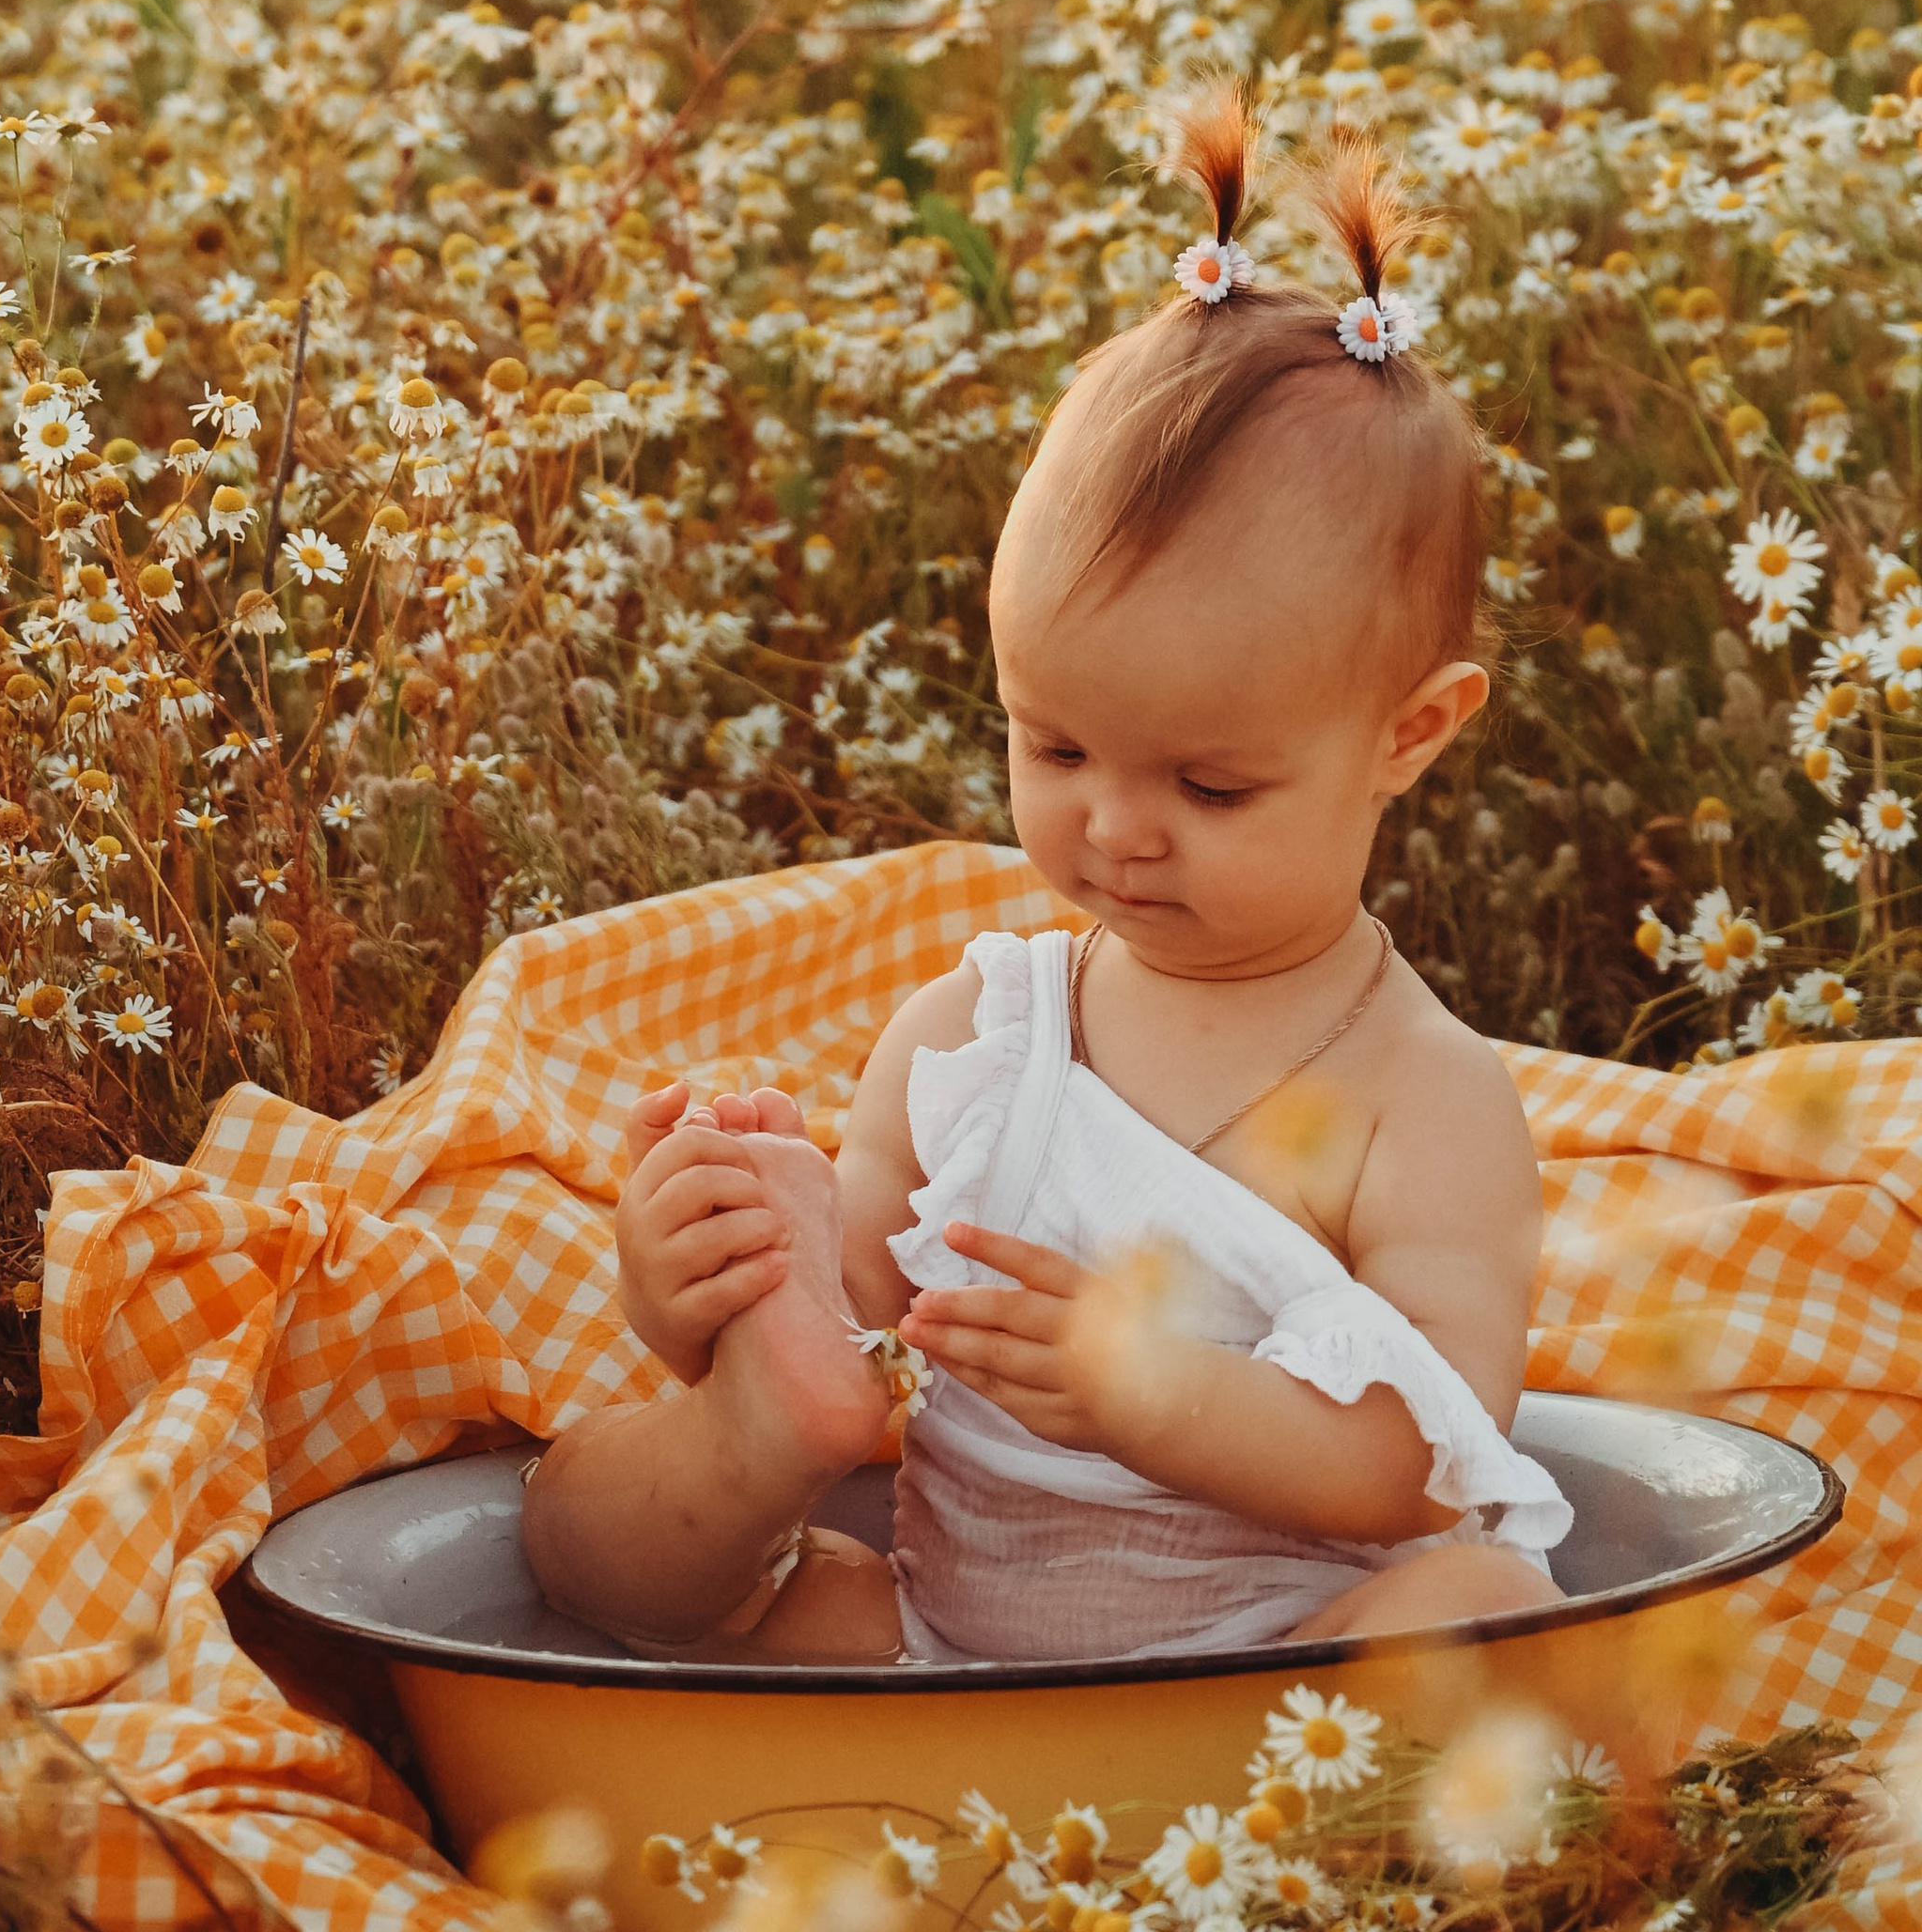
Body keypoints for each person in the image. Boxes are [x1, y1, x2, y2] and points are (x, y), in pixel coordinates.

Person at [519, 89, 1573, 1666]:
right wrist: (721, 1288)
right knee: (583, 1542)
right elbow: (882, 1327)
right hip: (958, 1644)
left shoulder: (1421, 1100)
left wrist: (1150, 1385)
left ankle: (1286, 1831)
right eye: (1057, 747)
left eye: (1211, 785)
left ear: (1408, 738)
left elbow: (1418, 1464)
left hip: (1283, 1673)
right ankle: (756, 1435)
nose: (1117, 830)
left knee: (1486, 1617)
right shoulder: (978, 1043)